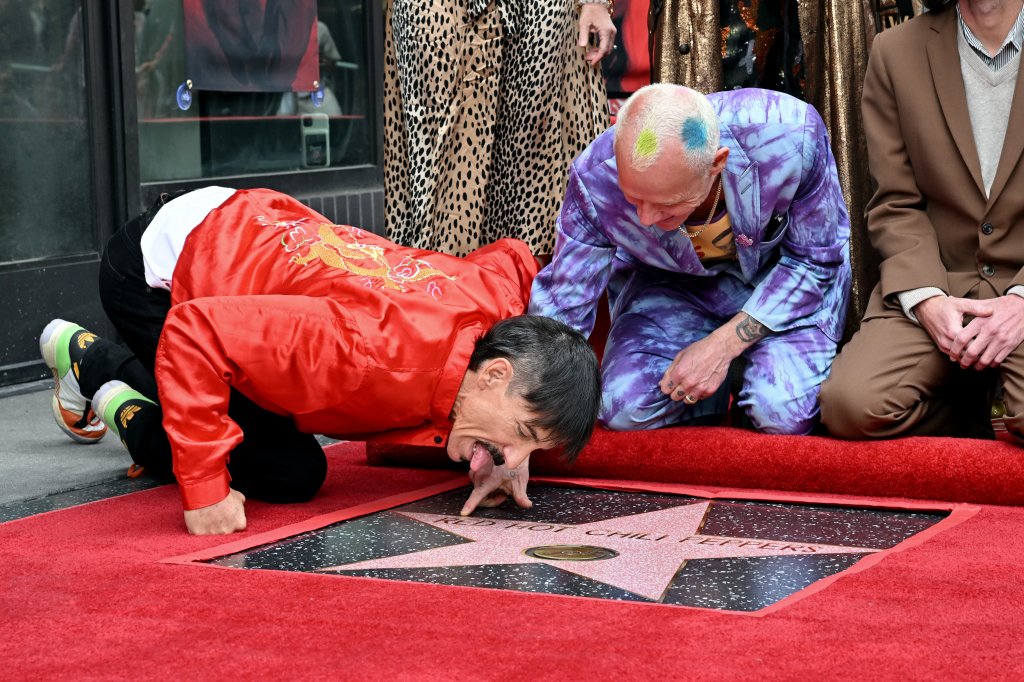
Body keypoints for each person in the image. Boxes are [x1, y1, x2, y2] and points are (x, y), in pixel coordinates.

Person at [40, 187, 601, 535]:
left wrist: (515, 441)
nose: (517, 457)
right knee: (288, 473)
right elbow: (196, 330)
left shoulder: (498, 313)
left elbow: (513, 258)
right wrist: (206, 491)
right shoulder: (360, 351)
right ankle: (104, 376)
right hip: (160, 273)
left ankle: (107, 372)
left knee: (266, 416)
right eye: (523, 433)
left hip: (250, 230)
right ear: (495, 372)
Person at [529, 83, 851, 434]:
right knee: (622, 406)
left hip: (783, 287)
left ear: (717, 164)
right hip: (675, 292)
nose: (647, 220)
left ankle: (746, 375)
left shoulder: (790, 134)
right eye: (634, 199)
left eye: (666, 205)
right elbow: (562, 308)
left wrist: (723, 347)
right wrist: (526, 418)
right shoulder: (595, 177)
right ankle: (714, 392)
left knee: (778, 413)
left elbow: (816, 261)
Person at [820, 0, 1024, 441]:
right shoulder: (895, 52)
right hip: (941, 281)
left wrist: (1022, 302)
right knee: (850, 406)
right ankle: (967, 404)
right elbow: (895, 202)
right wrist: (928, 301)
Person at [383, 0, 616, 257]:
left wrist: (596, 2)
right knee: (440, 169)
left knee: (538, 172)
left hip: (542, 11)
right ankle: (442, 286)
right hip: (436, 10)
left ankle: (531, 288)